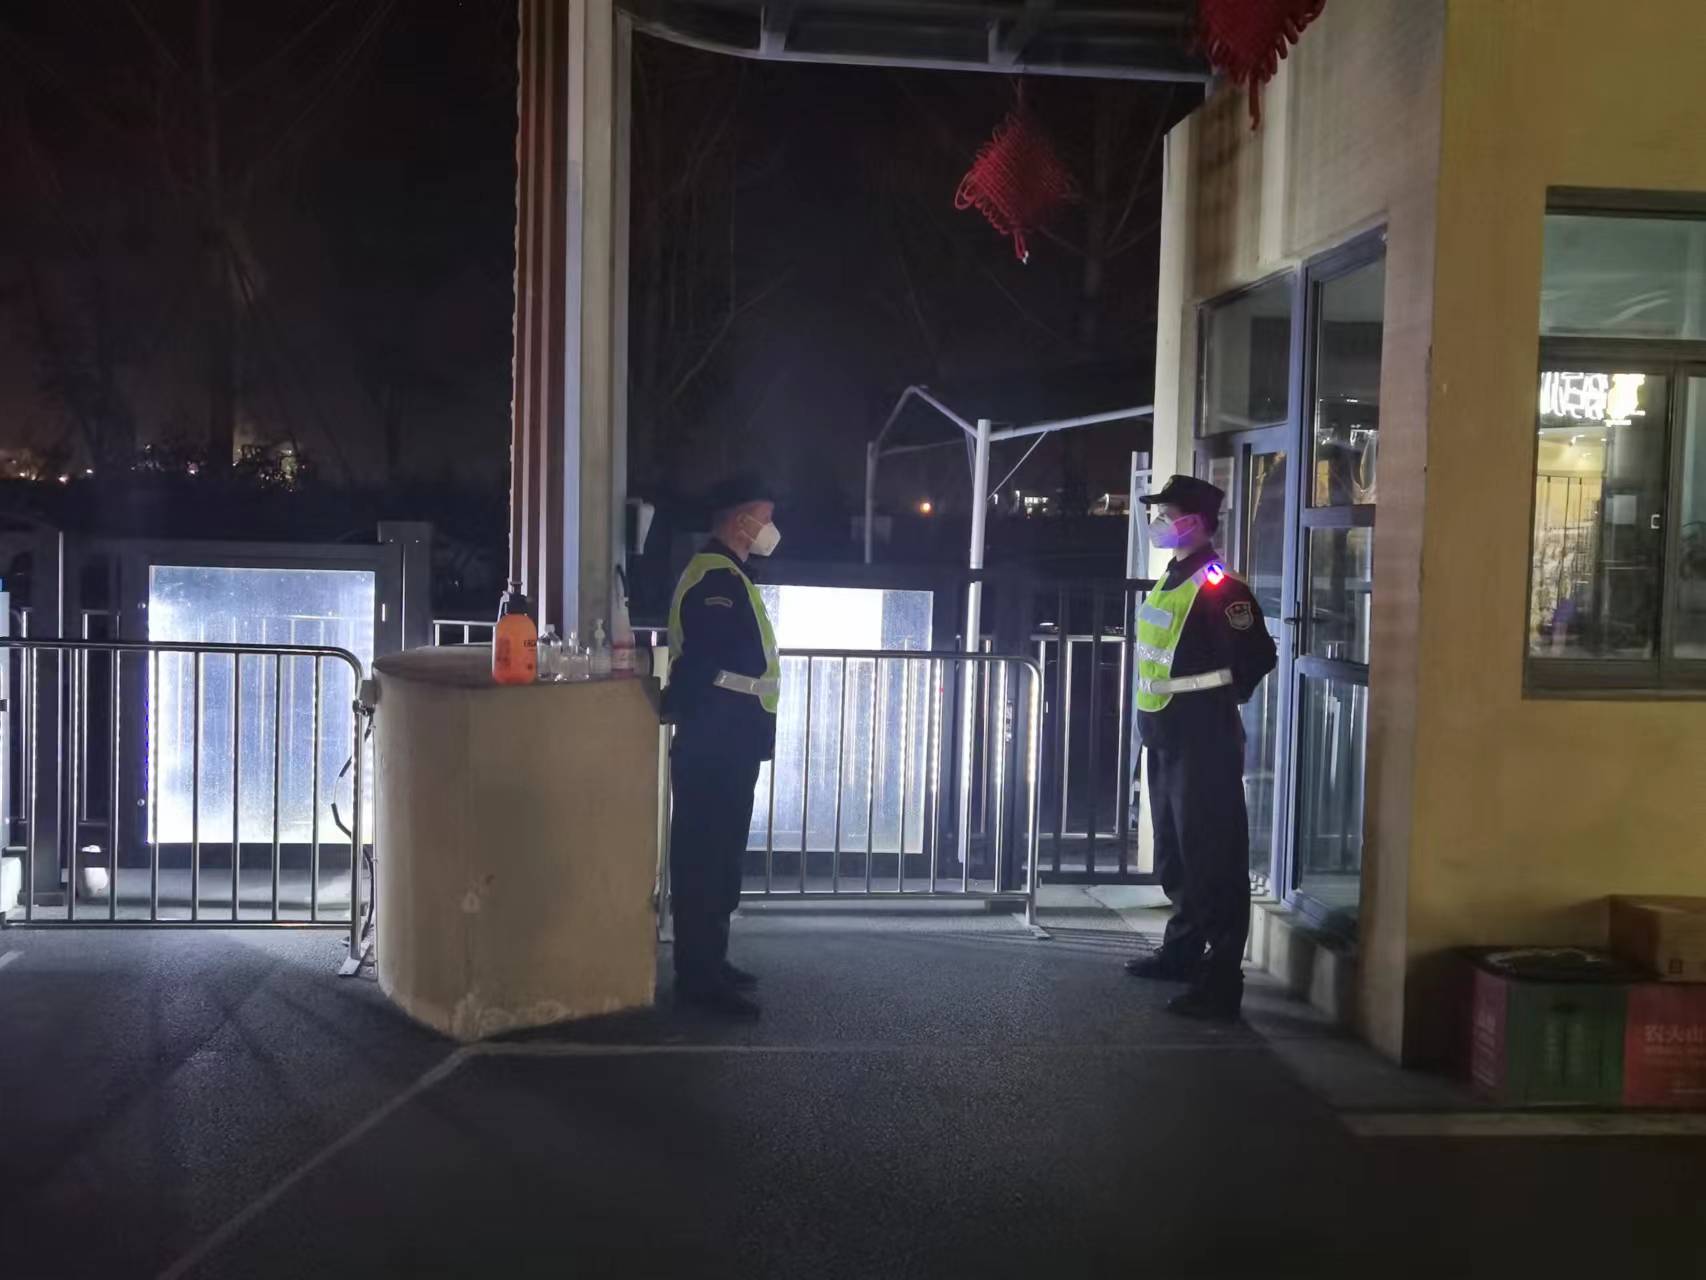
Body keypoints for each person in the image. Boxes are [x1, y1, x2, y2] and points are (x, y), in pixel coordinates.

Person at [1125, 474, 1277, 1021]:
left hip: (1203, 741)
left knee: (1213, 857)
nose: (1157, 523)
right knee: (1176, 853)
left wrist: (1213, 699)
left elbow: (1257, 657)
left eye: (1166, 515)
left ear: (1194, 522)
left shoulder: (1220, 587)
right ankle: (1183, 952)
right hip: (1165, 734)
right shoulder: (1173, 578)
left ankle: (1220, 980)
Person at [661, 473, 782, 1018]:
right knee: (706, 857)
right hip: (716, 738)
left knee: (720, 854)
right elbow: (702, 660)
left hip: (728, 736)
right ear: (741, 522)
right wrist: (678, 708)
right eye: (766, 518)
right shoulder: (716, 578)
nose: (772, 529)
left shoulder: (729, 574)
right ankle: (699, 978)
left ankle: (712, 961)